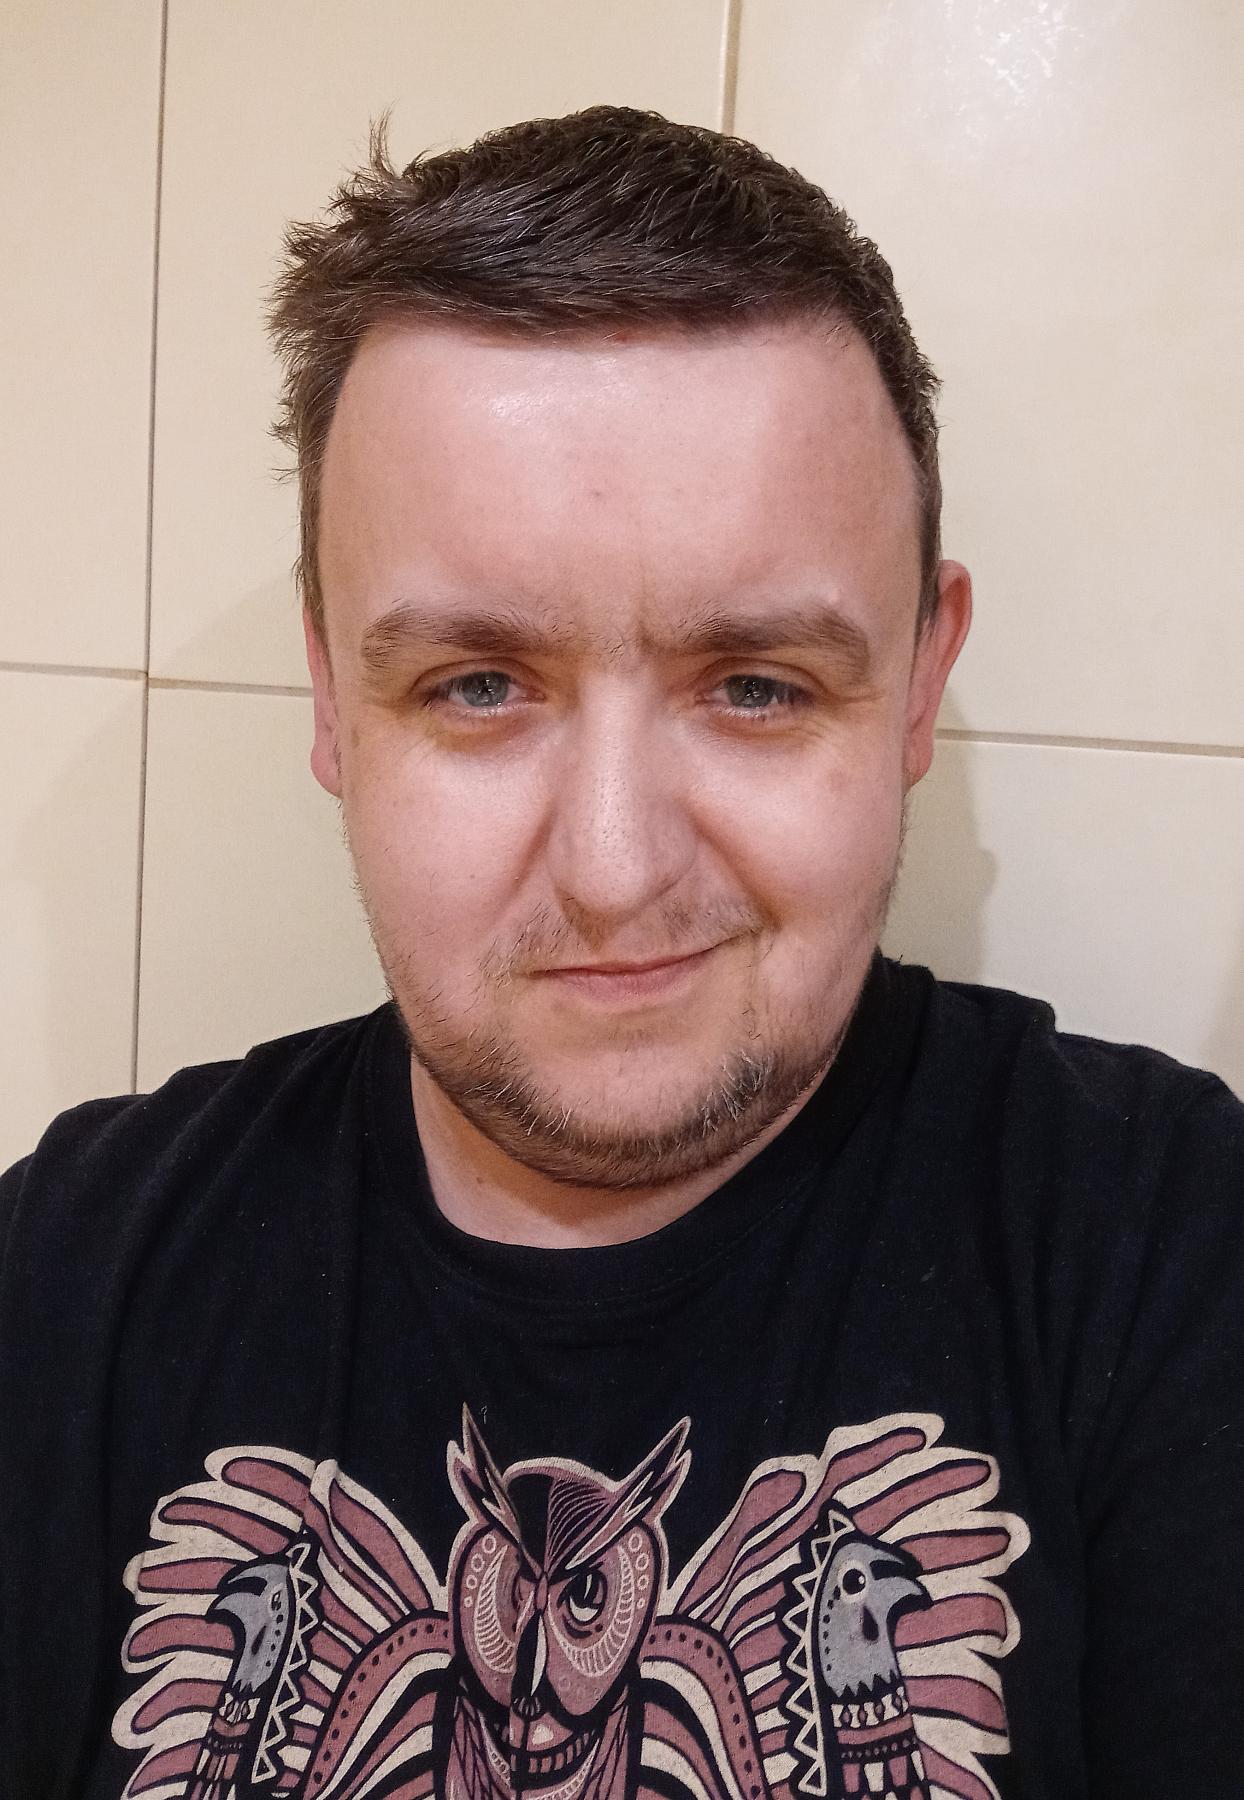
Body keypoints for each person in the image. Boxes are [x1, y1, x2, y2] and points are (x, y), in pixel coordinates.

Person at [1, 105, 1240, 1800]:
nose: (611, 870)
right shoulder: (65, 1279)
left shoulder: (1171, 1259)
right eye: (477, 686)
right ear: (331, 699)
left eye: (757, 687)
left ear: (918, 686)